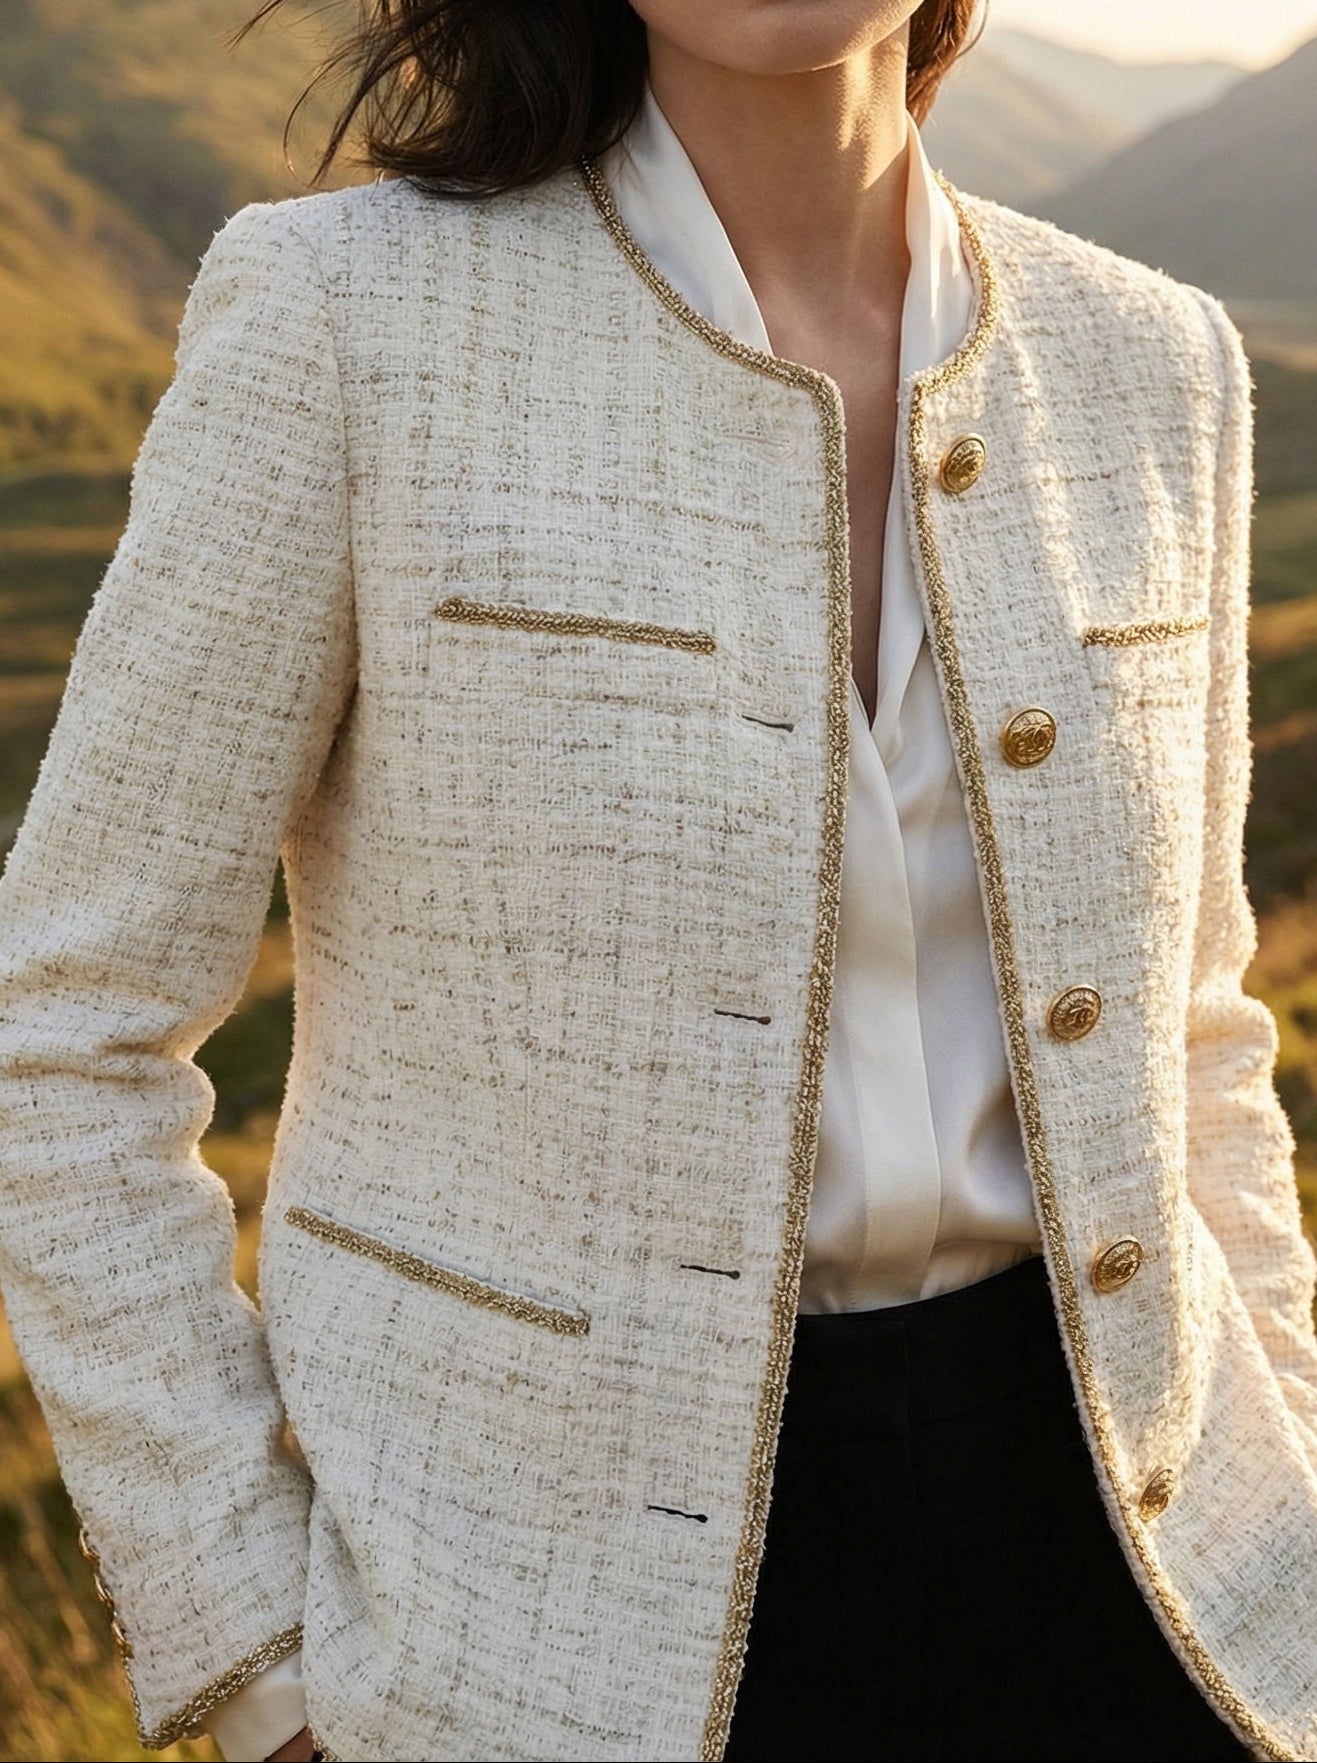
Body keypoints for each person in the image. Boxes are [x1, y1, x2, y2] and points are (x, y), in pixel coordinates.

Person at [1, 1, 1315, 1758]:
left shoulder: (1154, 359)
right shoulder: (345, 320)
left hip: (1163, 1597)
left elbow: (1195, 1039)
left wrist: (1292, 1485)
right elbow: (62, 1031)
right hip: (536, 1640)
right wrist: (257, 1662)